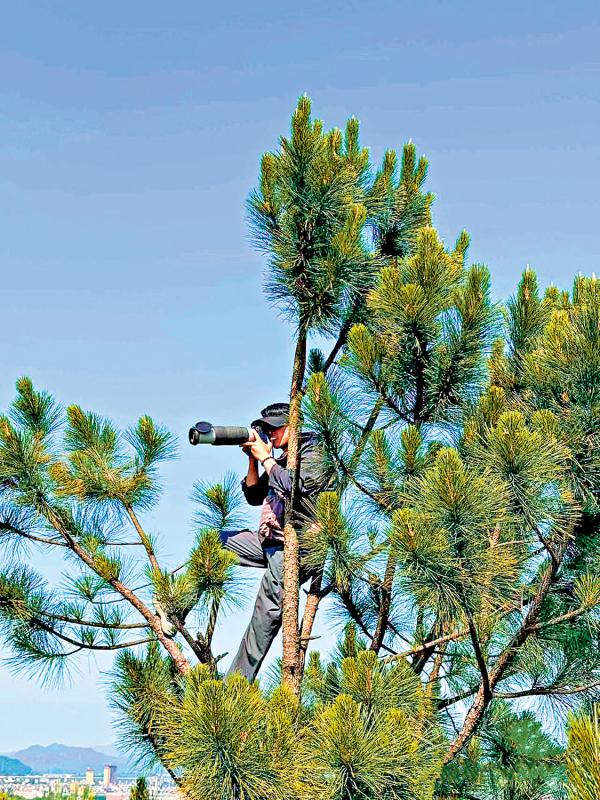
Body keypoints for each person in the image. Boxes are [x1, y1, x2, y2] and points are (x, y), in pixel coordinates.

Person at [219, 401, 327, 681]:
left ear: (294, 426)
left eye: (275, 429)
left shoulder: (314, 451)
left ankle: (235, 688)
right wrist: (254, 459)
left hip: (298, 546)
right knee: (216, 542)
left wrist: (266, 458)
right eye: (267, 430)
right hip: (270, 540)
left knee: (265, 613)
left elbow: (296, 487)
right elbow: (255, 497)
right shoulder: (280, 459)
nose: (272, 435)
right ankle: (173, 606)